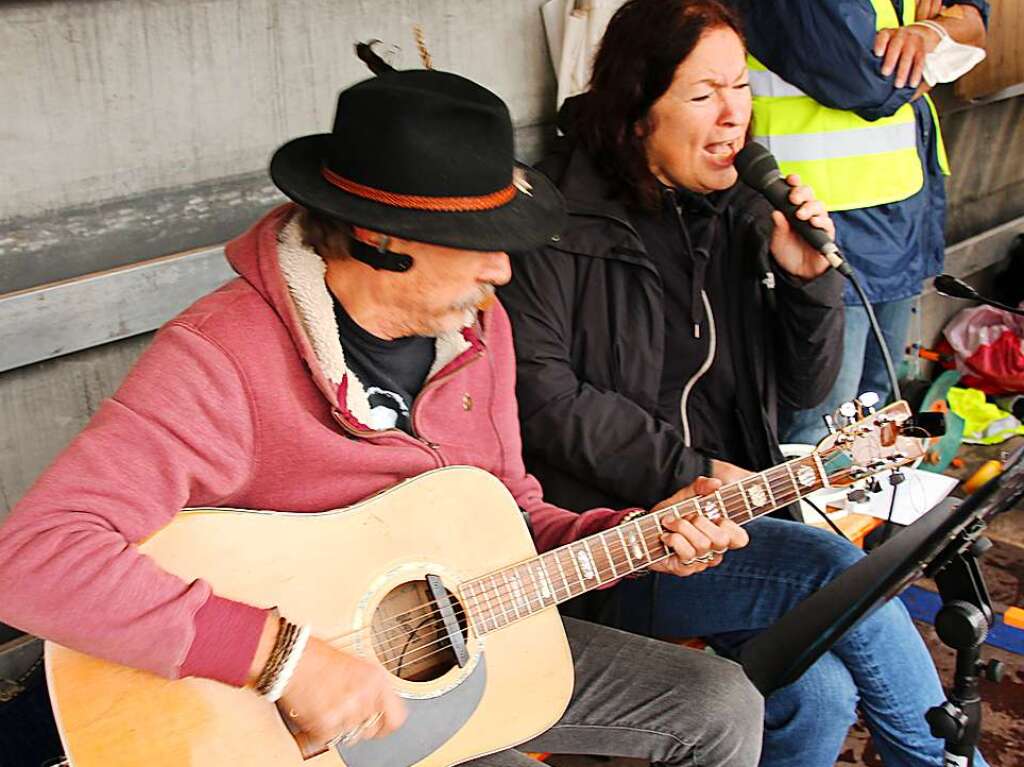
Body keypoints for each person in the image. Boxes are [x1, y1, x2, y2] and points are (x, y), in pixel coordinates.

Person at [0, 68, 763, 765]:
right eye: (478, 244)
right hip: (272, 715)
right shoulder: (222, 355)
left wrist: (628, 535)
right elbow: (32, 556)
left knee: (720, 701)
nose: (503, 270)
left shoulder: (479, 328)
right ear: (379, 236)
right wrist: (283, 656)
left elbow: (506, 519)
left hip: (451, 651)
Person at [499, 1, 987, 765]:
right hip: (611, 537)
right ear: (635, 112)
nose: (733, 115)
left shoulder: (736, 209)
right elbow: (544, 396)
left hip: (731, 525)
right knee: (828, 569)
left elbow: (802, 388)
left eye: (741, 86)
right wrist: (689, 475)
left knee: (817, 695)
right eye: (702, 94)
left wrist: (807, 284)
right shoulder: (553, 220)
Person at [735, 0, 989, 445]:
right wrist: (942, 51)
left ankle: (868, 512)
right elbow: (865, 81)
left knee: (879, 420)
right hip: (816, 227)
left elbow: (975, 19)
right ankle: (807, 518)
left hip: (900, 218)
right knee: (822, 433)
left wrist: (931, 32)